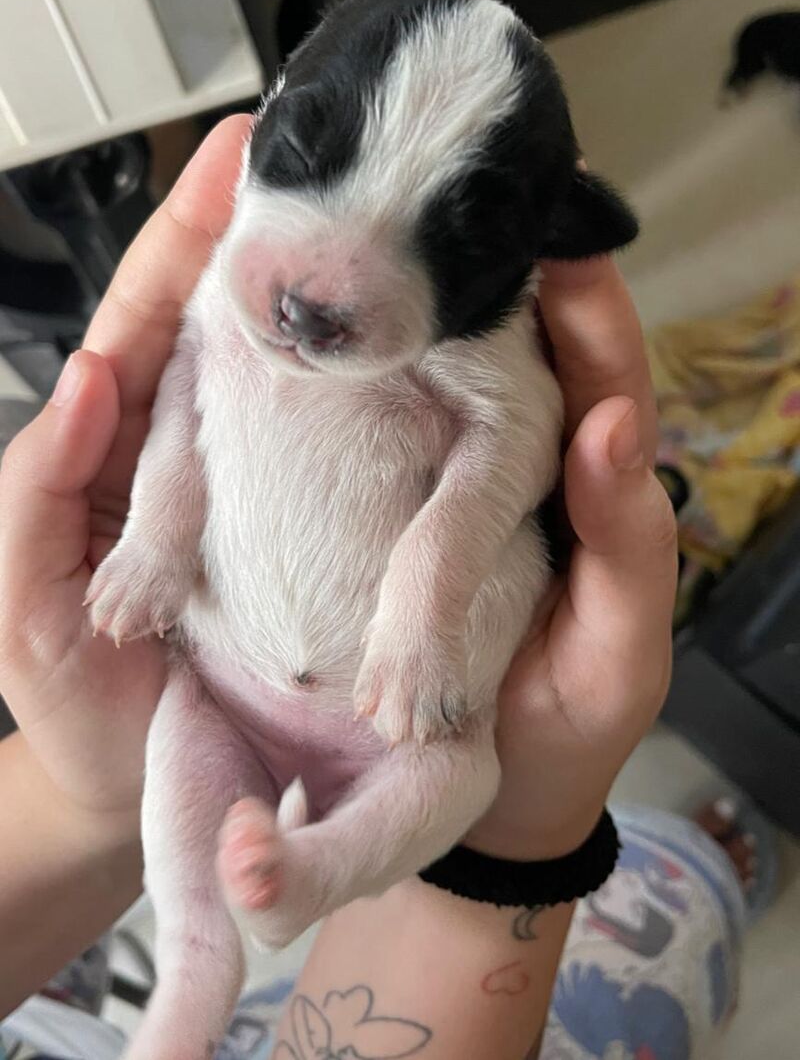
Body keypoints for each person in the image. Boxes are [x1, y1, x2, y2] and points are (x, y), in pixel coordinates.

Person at [0, 117, 764, 1060]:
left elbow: (513, 441)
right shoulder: (239, 281)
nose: (327, 284)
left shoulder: (475, 332)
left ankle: (308, 878)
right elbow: (186, 393)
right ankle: (197, 973)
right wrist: (157, 538)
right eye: (308, 166)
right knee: (665, 901)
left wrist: (84, 797)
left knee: (455, 772)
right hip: (222, 688)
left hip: (402, 723)